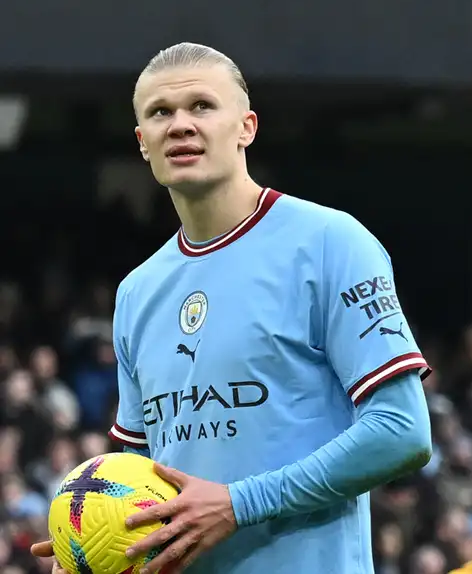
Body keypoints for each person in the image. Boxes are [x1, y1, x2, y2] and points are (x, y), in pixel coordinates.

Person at [31, 42, 433, 574]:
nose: (179, 124)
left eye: (201, 106)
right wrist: (89, 543)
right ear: (143, 144)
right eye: (160, 113)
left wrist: (239, 504)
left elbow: (402, 431)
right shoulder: (136, 292)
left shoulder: (329, 243)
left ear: (246, 127)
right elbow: (137, 471)